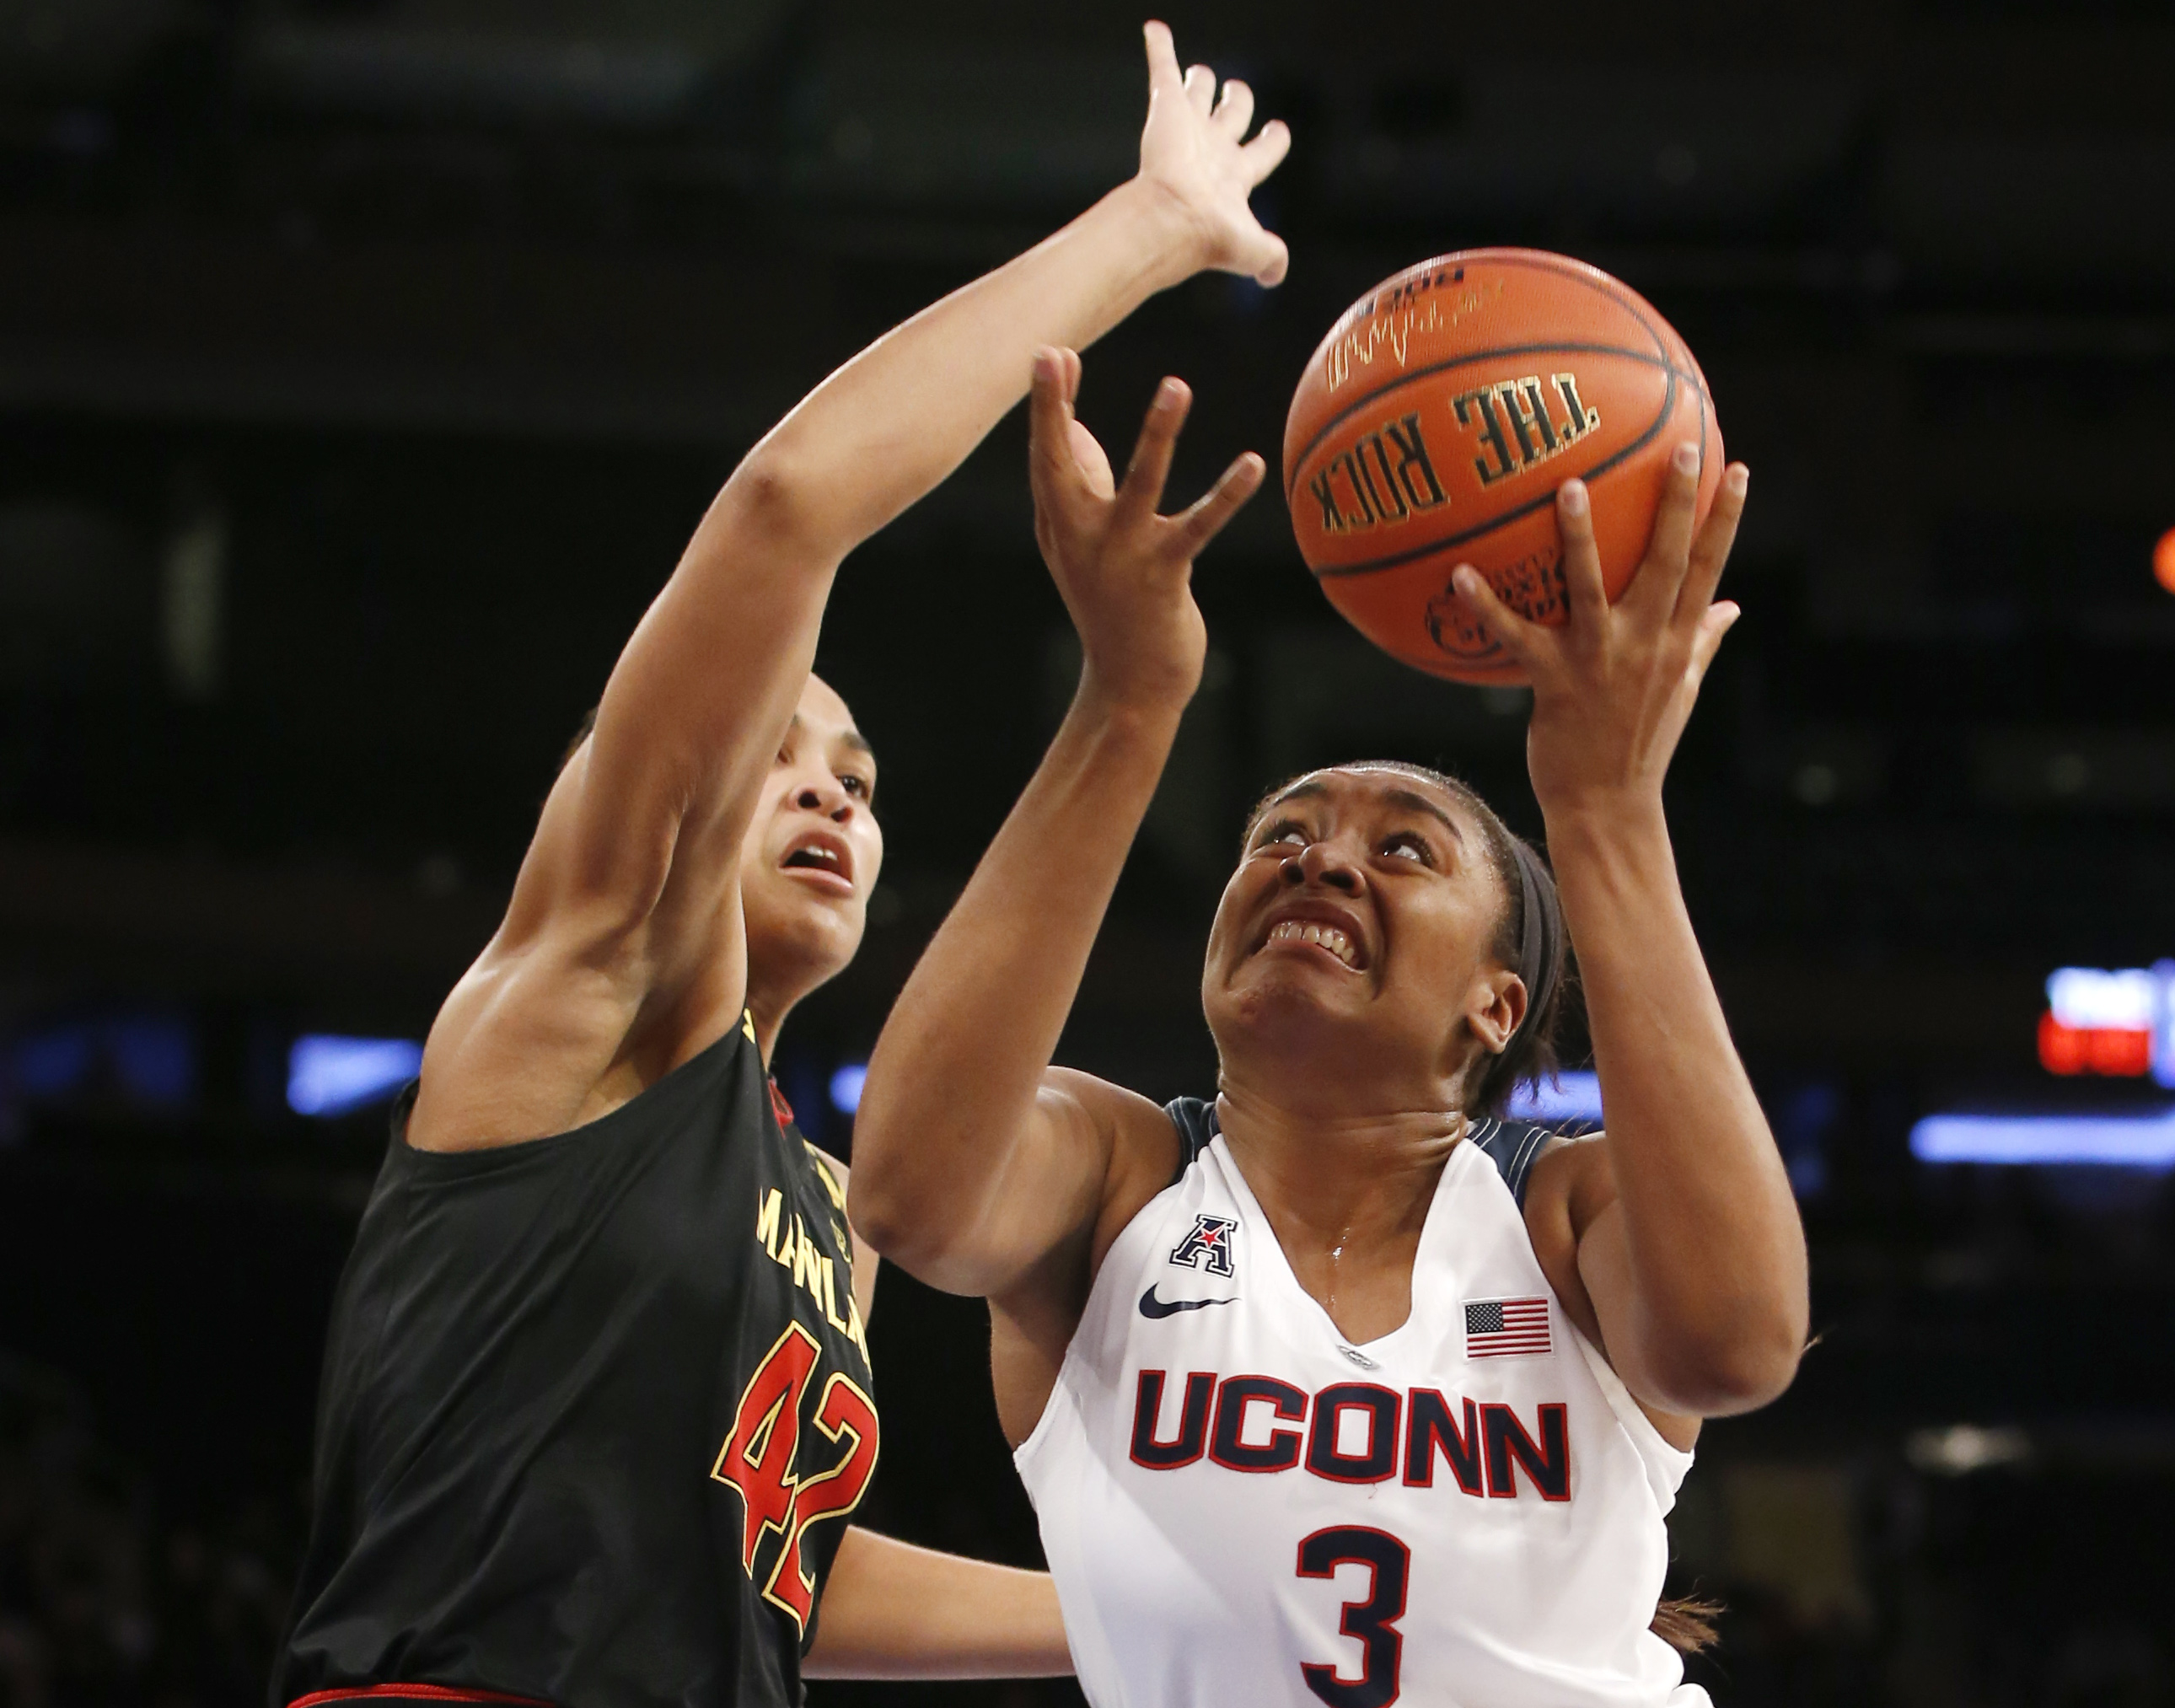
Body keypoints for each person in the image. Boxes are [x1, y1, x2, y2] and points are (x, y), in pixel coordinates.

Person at [271, 28, 1292, 1708]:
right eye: (780, 755)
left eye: (862, 780)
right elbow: (786, 508)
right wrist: (1153, 226)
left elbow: (774, 1571)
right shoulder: (586, 981)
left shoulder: (831, 1203)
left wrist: (1171, 1622)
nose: (829, 791)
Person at [848, 350, 1811, 1706]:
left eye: (1403, 849)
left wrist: (1607, 812)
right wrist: (1127, 703)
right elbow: (911, 1195)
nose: (1321, 859)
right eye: (1281, 836)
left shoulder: (1562, 1212)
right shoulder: (1117, 1178)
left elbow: (1740, 1345)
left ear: (1496, 1003)